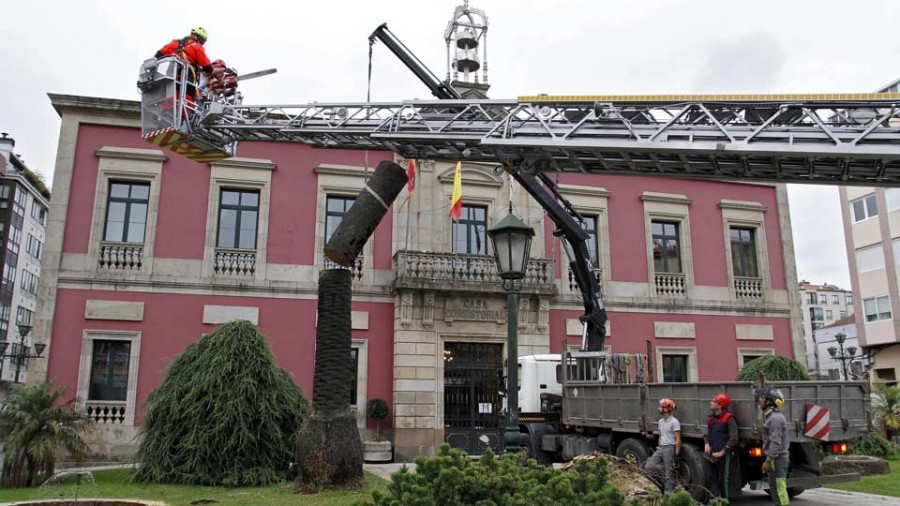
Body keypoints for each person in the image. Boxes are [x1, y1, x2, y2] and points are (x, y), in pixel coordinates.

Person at [155, 27, 214, 105]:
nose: (201, 43)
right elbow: (207, 67)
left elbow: (158, 55)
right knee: (187, 97)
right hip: (187, 76)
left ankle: (167, 112)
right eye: (202, 40)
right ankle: (184, 115)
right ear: (195, 36)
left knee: (170, 96)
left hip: (171, 75)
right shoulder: (196, 47)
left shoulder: (175, 44)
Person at [756, 388, 790, 505]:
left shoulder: (775, 419)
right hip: (776, 459)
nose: (759, 400)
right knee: (775, 490)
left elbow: (775, 442)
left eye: (762, 398)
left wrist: (768, 461)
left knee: (779, 490)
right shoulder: (772, 416)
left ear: (768, 402)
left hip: (777, 459)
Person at [704, 392, 738, 500]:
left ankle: (725, 501)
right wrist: (706, 444)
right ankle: (713, 501)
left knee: (724, 481)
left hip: (725, 455)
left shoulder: (729, 419)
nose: (710, 403)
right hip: (713, 454)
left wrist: (723, 452)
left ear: (720, 405)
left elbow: (734, 438)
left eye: (714, 401)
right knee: (712, 479)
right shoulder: (711, 418)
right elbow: (707, 433)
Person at [644, 398, 681, 494]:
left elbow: (678, 439)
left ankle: (668, 494)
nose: (659, 408)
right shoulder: (660, 422)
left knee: (669, 474)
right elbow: (660, 436)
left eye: (662, 406)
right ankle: (667, 472)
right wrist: (659, 446)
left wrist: (676, 454)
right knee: (649, 466)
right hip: (661, 448)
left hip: (669, 448)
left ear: (667, 408)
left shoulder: (674, 422)